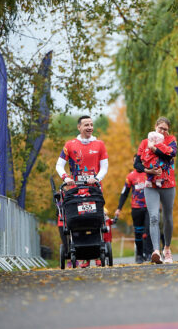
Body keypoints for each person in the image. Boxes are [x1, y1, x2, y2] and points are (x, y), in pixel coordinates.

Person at [55, 115, 108, 268]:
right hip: (75, 191)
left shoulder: (100, 144)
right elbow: (59, 165)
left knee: (95, 220)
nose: (89, 127)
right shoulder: (70, 145)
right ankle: (83, 257)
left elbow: (104, 167)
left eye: (91, 124)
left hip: (94, 190)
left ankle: (98, 254)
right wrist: (66, 178)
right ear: (79, 127)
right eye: (86, 125)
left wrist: (96, 178)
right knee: (78, 222)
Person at [134, 117, 177, 264]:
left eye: (165, 129)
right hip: (151, 185)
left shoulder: (171, 140)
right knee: (153, 217)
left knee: (168, 218)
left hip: (168, 183)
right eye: (160, 128)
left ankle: (167, 249)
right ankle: (156, 251)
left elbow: (171, 154)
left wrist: (155, 148)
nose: (163, 131)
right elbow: (137, 163)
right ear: (155, 127)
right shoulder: (145, 142)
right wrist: (148, 170)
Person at [115, 155, 153, 264]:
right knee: (138, 232)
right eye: (136, 161)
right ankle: (139, 255)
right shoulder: (130, 177)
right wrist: (119, 208)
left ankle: (149, 253)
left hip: (148, 207)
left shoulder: (148, 174)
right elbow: (124, 193)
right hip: (136, 208)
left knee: (149, 230)